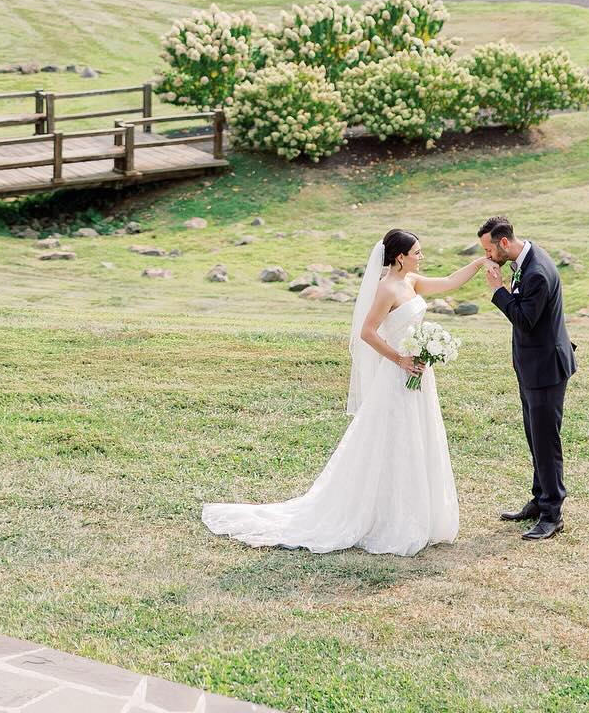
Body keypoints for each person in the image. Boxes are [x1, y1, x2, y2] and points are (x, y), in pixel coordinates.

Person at [201, 227, 480, 556]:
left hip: (419, 374)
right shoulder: (387, 288)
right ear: (400, 257)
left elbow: (448, 282)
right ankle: (385, 514)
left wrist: (479, 263)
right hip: (398, 373)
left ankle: (419, 512)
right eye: (417, 252)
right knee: (392, 439)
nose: (422, 257)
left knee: (419, 437)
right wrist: (401, 359)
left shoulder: (412, 281)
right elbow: (368, 332)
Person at [478, 214, 575, 541]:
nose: (488, 257)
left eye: (489, 250)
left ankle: (552, 514)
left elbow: (524, 319)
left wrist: (497, 291)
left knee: (546, 441)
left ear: (503, 243)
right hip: (532, 365)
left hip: (547, 369)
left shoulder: (535, 272)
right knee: (534, 436)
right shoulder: (526, 258)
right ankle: (539, 498)